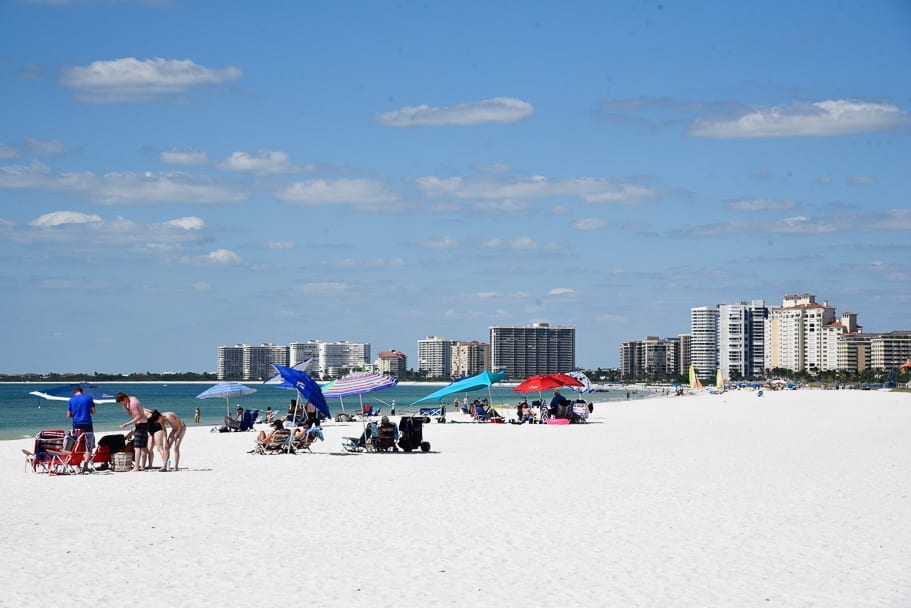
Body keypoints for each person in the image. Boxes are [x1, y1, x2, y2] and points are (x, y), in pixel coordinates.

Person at [116, 392, 149, 472]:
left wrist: (126, 424)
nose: (122, 404)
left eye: (122, 402)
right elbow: (130, 414)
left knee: (137, 447)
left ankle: (136, 467)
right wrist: (124, 406)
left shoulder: (132, 403)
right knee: (143, 447)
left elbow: (138, 416)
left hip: (141, 425)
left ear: (124, 399)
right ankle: (143, 466)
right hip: (144, 424)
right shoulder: (132, 399)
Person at [66, 386, 96, 470]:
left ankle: (77, 465)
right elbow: (93, 411)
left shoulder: (71, 400)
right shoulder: (88, 398)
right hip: (87, 424)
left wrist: (75, 414)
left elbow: (68, 415)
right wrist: (87, 411)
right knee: (88, 446)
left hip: (76, 424)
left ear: (75, 392)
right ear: (82, 392)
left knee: (77, 445)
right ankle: (86, 466)